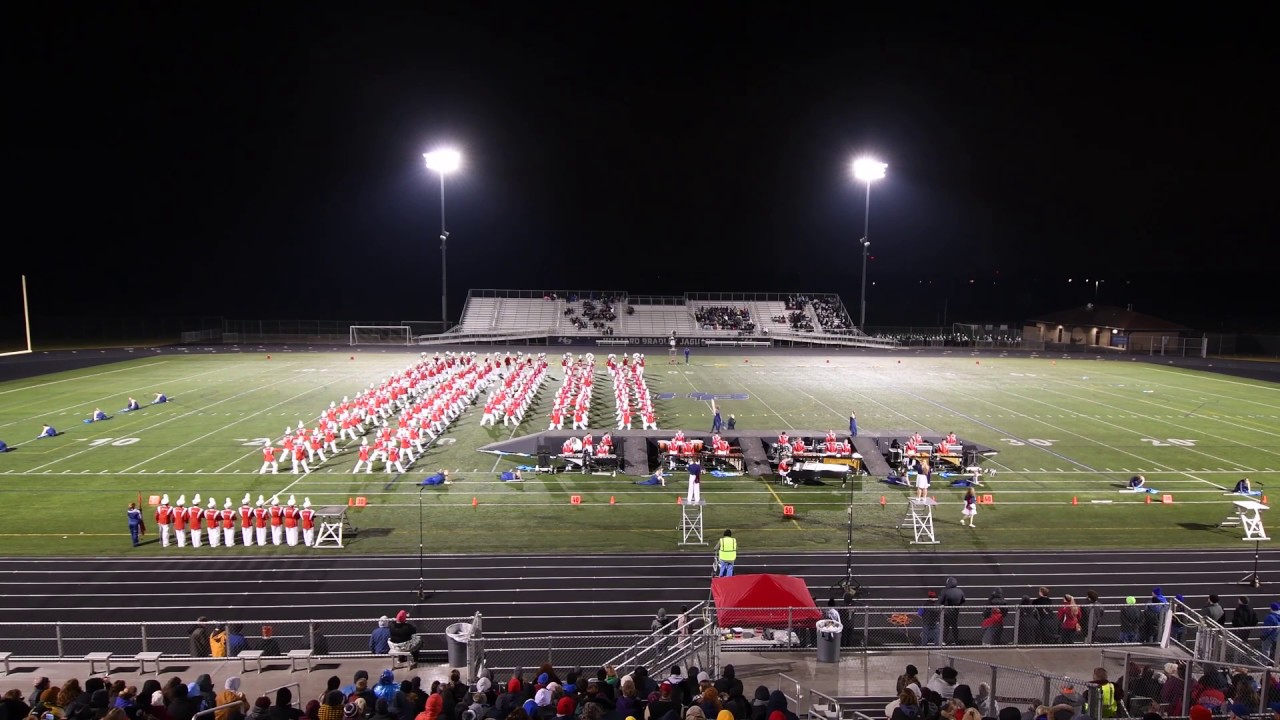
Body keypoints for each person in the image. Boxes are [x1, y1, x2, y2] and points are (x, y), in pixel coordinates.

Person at [940, 577, 966, 645]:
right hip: (955, 611)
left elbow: (941, 601)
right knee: (954, 626)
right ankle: (956, 640)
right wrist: (958, 604)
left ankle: (944, 641)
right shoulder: (960, 591)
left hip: (947, 611)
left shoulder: (945, 591)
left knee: (946, 626)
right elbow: (963, 600)